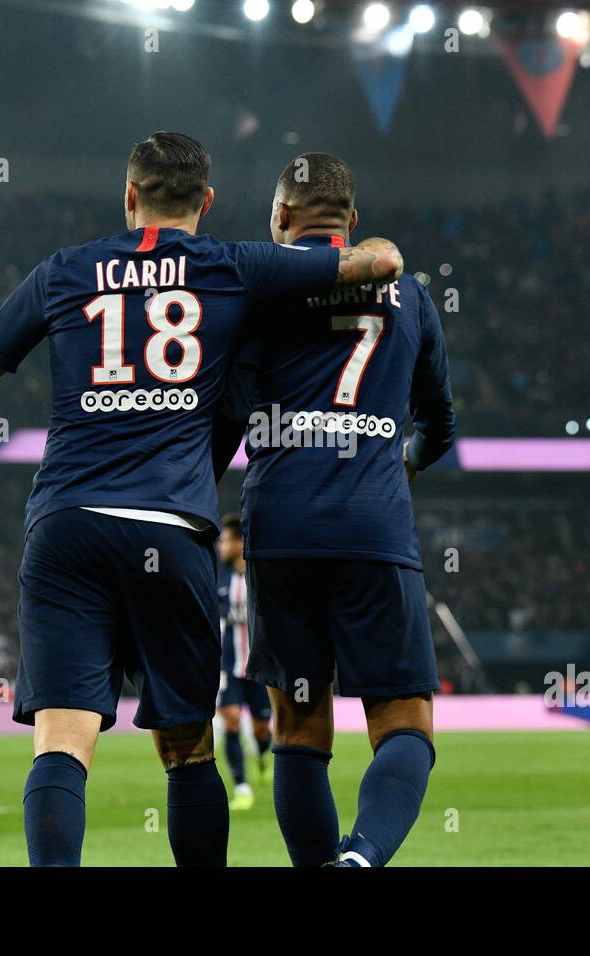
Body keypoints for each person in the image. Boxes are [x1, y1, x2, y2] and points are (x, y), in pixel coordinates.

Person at [0, 132, 404, 867]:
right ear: (207, 201)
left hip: (66, 526)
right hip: (169, 531)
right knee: (188, 750)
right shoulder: (234, 267)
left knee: (63, 742)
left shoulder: (63, 272)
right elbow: (378, 264)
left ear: (128, 195)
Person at [213, 153, 455, 866]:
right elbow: (439, 427)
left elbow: (227, 418)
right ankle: (361, 858)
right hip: (374, 524)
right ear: (350, 221)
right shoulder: (409, 295)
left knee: (298, 728)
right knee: (405, 721)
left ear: (280, 219)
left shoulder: (255, 298)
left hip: (279, 529)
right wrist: (394, 461)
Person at [215, 514, 273, 810]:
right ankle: (241, 787)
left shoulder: (259, 575)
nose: (220, 546)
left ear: (239, 543)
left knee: (262, 727)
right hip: (228, 665)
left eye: (225, 540)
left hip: (259, 666)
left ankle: (264, 753)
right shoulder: (218, 576)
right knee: (232, 720)